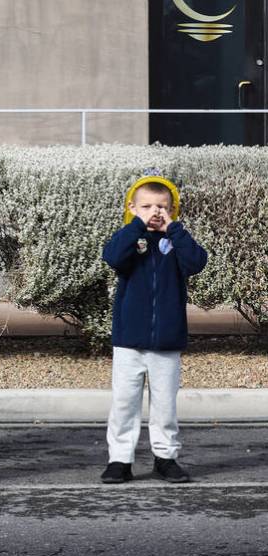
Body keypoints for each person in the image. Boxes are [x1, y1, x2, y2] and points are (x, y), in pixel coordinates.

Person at [100, 175, 207, 485]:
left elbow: (197, 262)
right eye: (146, 206)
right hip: (128, 342)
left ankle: (166, 457)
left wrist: (174, 229)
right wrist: (137, 226)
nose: (154, 211)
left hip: (166, 342)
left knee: (164, 405)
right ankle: (120, 459)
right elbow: (113, 257)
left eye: (162, 206)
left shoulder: (176, 241)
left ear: (172, 209)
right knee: (124, 403)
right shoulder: (130, 239)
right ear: (132, 208)